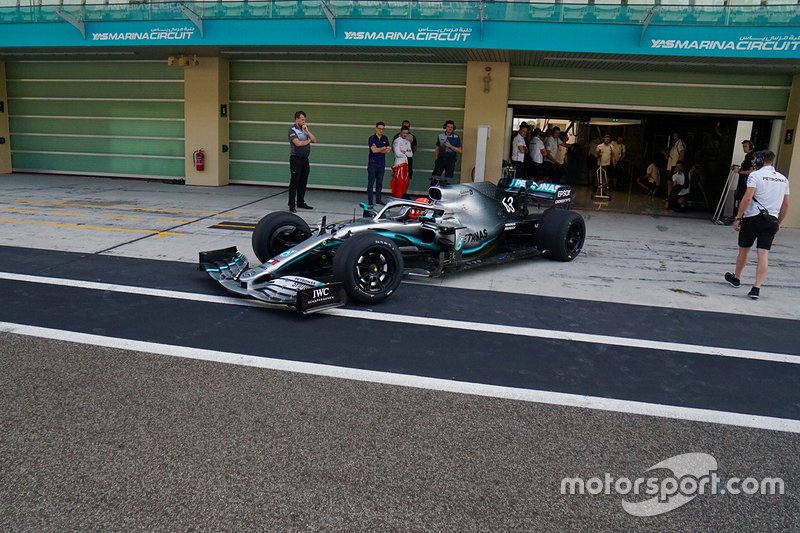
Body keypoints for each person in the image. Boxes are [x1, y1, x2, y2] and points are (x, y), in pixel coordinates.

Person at [725, 150, 790, 300]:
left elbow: (747, 198)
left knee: (744, 250)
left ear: (760, 160)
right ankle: (756, 287)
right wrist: (779, 222)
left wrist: (738, 218)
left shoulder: (755, 175)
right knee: (763, 253)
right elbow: (785, 205)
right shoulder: (783, 179)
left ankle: (737, 278)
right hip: (771, 220)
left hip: (753, 218)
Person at [287, 110, 317, 213]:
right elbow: (298, 143)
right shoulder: (292, 130)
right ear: (297, 119)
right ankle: (291, 205)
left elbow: (315, 140)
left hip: (305, 159)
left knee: (303, 181)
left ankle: (300, 202)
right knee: (294, 182)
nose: (304, 121)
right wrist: (308, 140)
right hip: (296, 159)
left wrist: (307, 131)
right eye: (302, 119)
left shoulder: (304, 130)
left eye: (305, 120)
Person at [367, 121, 391, 206]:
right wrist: (383, 148)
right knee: (371, 182)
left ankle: (378, 199)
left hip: (381, 163)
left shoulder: (385, 138)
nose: (381, 130)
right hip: (373, 163)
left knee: (379, 182)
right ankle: (370, 201)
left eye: (382, 129)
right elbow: (373, 150)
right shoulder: (372, 138)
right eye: (379, 128)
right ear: (376, 128)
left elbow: (388, 150)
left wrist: (379, 149)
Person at [391, 125, 413, 199]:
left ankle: (401, 196)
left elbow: (411, 154)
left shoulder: (407, 142)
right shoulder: (397, 141)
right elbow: (397, 153)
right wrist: (406, 152)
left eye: (406, 133)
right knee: (399, 182)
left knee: (405, 181)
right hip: (399, 164)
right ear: (401, 132)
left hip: (406, 163)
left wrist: (404, 152)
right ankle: (397, 197)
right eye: (404, 133)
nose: (405, 134)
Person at [733, 139, 755, 212]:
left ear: (751, 147)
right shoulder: (747, 156)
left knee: (742, 197)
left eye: (746, 146)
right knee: (739, 197)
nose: (744, 148)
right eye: (743, 146)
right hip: (742, 180)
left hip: (746, 181)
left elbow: (752, 171)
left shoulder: (752, 156)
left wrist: (739, 171)